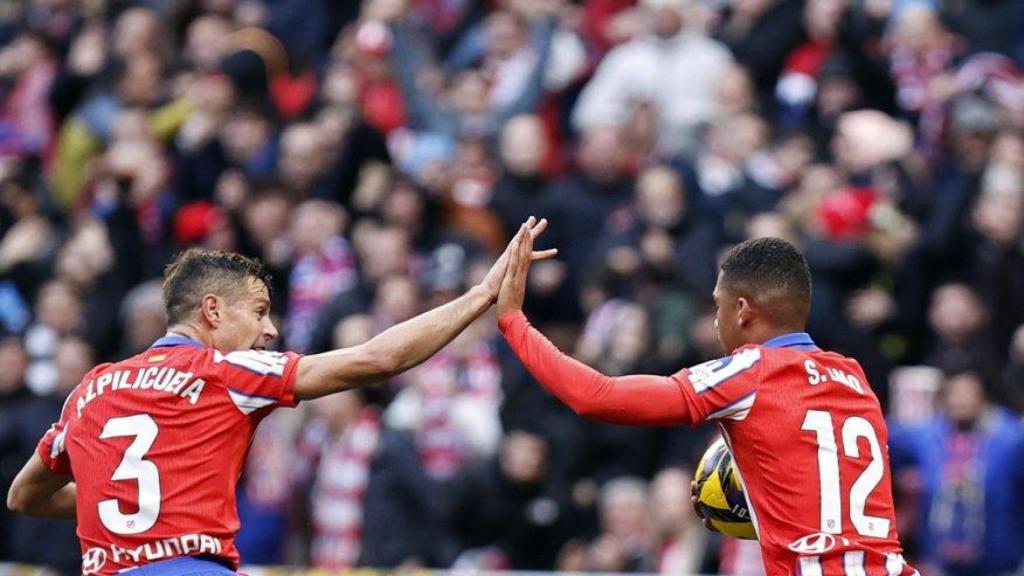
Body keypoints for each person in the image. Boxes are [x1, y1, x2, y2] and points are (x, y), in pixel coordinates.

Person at [5, 217, 555, 576]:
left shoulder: (89, 390)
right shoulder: (226, 371)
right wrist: (482, 295)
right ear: (214, 312)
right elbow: (378, 359)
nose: (270, 331)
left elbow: (23, 497)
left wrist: (124, 502)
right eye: (261, 311)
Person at [495, 235, 917, 576]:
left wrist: (513, 320)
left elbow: (596, 395)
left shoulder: (750, 372)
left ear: (742, 311)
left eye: (717, 305)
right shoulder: (853, 377)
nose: (715, 322)